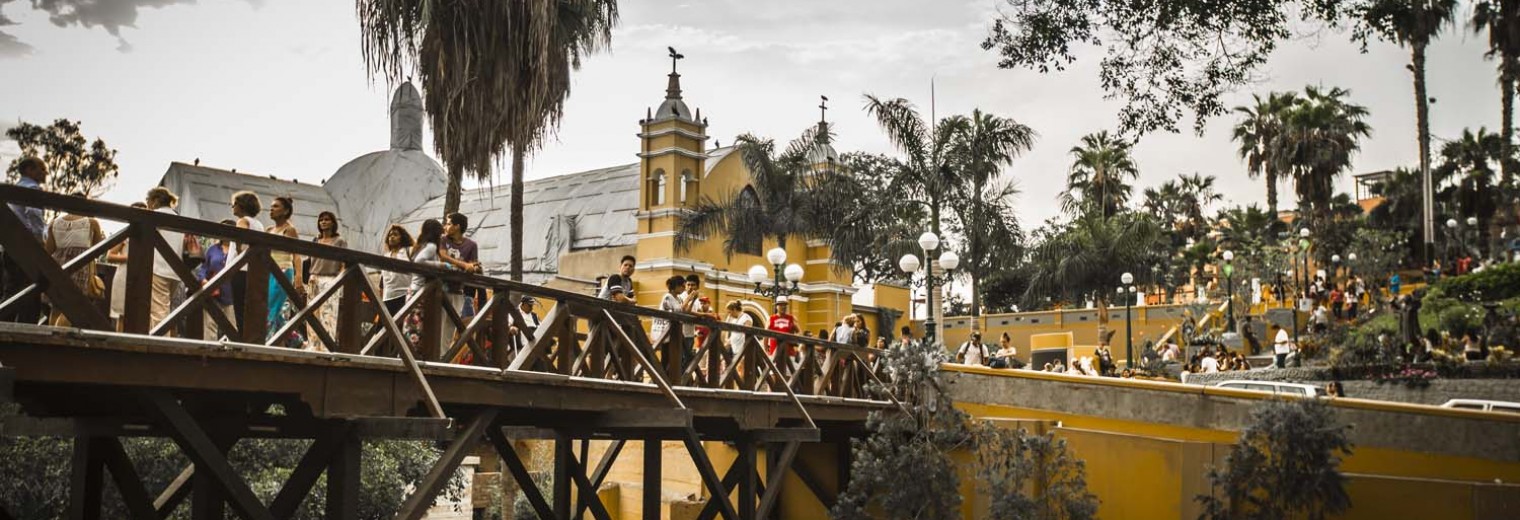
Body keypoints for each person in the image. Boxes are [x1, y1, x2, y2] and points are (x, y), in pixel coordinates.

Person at [43, 193, 105, 327]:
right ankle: (60, 336)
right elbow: (99, 248)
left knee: (56, 305)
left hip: (58, 265)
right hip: (81, 265)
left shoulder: (54, 223)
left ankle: (51, 337)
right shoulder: (91, 222)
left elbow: (48, 250)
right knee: (75, 304)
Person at [3, 156, 48, 325]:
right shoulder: (32, 189)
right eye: (42, 168)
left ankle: (4, 327)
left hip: (10, 246)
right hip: (27, 247)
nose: (46, 172)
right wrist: (39, 243)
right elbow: (34, 214)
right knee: (32, 291)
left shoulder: (12, 190)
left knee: (12, 290)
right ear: (29, 170)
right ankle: (27, 330)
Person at [145, 187, 185, 335]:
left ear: (155, 201)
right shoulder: (178, 217)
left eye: (147, 200)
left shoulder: (154, 216)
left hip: (158, 268)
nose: (147, 204)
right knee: (165, 309)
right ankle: (161, 340)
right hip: (175, 271)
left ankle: (159, 345)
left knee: (158, 312)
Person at [264, 196, 305, 345]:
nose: (271, 209)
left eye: (276, 206)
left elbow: (296, 254)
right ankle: (296, 340)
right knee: (270, 307)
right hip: (269, 272)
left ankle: (268, 341)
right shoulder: (269, 230)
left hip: (283, 271)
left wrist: (299, 276)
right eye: (271, 206)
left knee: (272, 308)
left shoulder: (289, 229)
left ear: (286, 210)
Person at [305, 211, 347, 351]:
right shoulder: (315, 240)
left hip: (330, 278)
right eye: (321, 220)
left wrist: (338, 281)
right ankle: (313, 345)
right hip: (314, 277)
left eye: (327, 220)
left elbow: (344, 264)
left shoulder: (339, 241)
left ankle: (326, 346)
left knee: (328, 313)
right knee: (312, 313)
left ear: (333, 223)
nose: (323, 222)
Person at [108, 202, 149, 330]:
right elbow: (110, 256)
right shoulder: (124, 235)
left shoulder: (150, 235)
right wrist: (130, 257)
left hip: (143, 277)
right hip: (124, 275)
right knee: (122, 315)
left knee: (140, 315)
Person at [229, 190, 265, 334]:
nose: (232, 207)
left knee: (239, 307)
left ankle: (241, 338)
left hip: (240, 269)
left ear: (241, 205)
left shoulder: (242, 221)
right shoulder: (259, 224)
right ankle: (251, 337)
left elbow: (240, 238)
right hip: (253, 270)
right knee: (250, 308)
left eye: (234, 204)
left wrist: (238, 251)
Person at [194, 221, 235, 339]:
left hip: (231, 293)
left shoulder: (237, 249)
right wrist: (203, 280)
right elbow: (203, 268)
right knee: (210, 324)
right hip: (213, 290)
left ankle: (233, 353)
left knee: (232, 325)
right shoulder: (212, 249)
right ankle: (209, 350)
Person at [379, 224, 414, 316]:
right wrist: (380, 303)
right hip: (387, 298)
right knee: (383, 329)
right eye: (390, 235)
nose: (392, 237)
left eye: (395, 235)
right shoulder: (386, 256)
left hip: (405, 296)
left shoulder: (409, 251)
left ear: (402, 237)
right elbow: (382, 282)